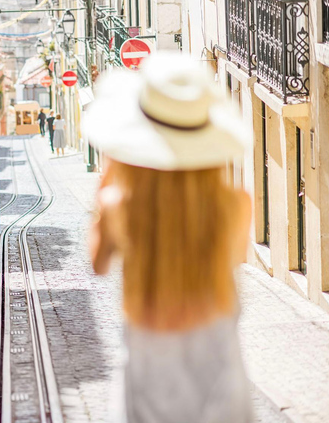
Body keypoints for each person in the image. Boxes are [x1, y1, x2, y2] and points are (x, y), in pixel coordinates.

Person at [83, 53, 253, 423]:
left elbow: (98, 264)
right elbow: (236, 256)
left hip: (146, 389)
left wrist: (110, 175)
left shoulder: (118, 206)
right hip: (222, 386)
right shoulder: (237, 204)